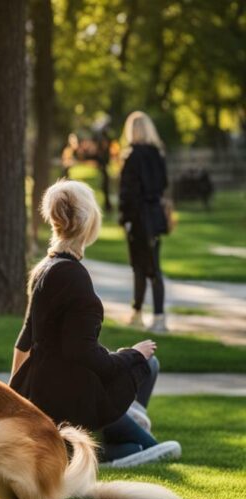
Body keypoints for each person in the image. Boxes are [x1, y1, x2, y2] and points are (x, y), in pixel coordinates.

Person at [10, 180, 181, 468]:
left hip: (50, 389)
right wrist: (131, 355)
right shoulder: (74, 277)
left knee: (148, 366)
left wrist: (15, 397)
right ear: (89, 223)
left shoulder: (44, 268)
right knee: (160, 449)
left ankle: (102, 441)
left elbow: (24, 341)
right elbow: (83, 354)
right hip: (69, 397)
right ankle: (85, 454)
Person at [120, 111, 169, 333]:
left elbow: (128, 192)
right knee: (153, 267)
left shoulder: (132, 157)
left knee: (140, 267)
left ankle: (141, 314)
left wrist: (126, 218)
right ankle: (153, 315)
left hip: (138, 218)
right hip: (155, 217)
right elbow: (164, 184)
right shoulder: (158, 155)